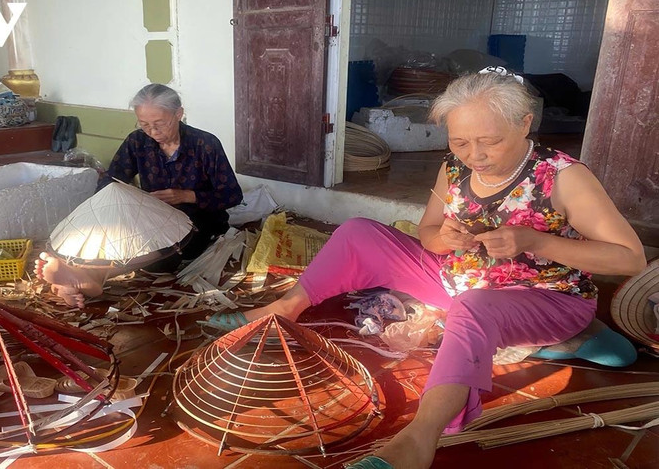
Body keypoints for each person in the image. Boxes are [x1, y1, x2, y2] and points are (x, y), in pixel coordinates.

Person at [207, 71, 647, 469]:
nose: (475, 155)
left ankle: (419, 439)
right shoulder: (454, 168)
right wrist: (443, 239)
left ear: (525, 122)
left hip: (548, 297)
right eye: (460, 142)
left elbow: (630, 257)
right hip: (458, 281)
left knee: (474, 311)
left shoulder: (563, 177)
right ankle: (285, 307)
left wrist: (536, 241)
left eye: (489, 141)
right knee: (360, 232)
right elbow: (429, 232)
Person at [36, 84, 243, 307]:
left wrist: (186, 196)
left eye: (159, 124)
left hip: (196, 223)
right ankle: (76, 274)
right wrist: (130, 199)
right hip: (149, 217)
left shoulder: (205, 144)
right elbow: (109, 181)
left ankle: (91, 278)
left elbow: (232, 195)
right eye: (144, 124)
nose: (152, 132)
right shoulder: (138, 142)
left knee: (157, 256)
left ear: (178, 114)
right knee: (115, 229)